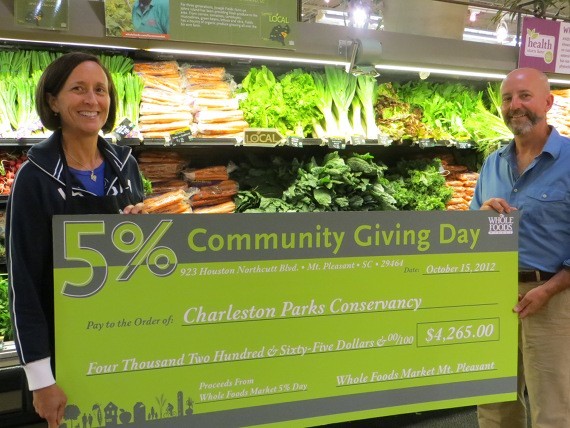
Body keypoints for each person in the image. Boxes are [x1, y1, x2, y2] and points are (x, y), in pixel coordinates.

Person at [6, 52, 146, 427]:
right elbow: (23, 283)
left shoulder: (126, 167)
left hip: (128, 341)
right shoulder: (35, 177)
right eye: (78, 89)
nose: (92, 100)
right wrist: (41, 379)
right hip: (65, 356)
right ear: (53, 101)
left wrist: (146, 231)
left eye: (100, 90)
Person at [471, 67, 570, 428]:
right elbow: (470, 233)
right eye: (507, 98)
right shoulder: (492, 163)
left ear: (548, 101)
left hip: (553, 297)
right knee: (494, 406)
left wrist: (549, 290)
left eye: (525, 96)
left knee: (552, 408)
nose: (515, 105)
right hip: (493, 294)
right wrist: (481, 216)